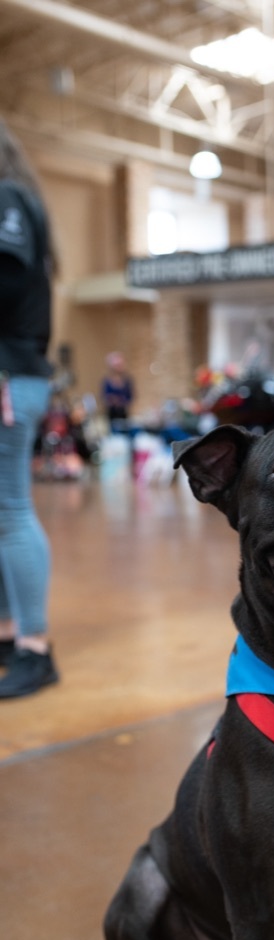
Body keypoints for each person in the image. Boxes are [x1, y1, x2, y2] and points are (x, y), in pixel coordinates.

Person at [0, 119, 60, 697]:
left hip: (9, 374)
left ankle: (35, 648)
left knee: (10, 509)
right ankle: (10, 630)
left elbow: (9, 283)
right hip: (13, 373)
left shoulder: (7, 198)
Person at [100, 350, 134, 427]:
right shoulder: (107, 381)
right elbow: (104, 397)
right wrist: (111, 400)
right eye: (117, 365)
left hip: (123, 413)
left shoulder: (127, 381)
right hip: (111, 414)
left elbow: (130, 397)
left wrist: (121, 401)